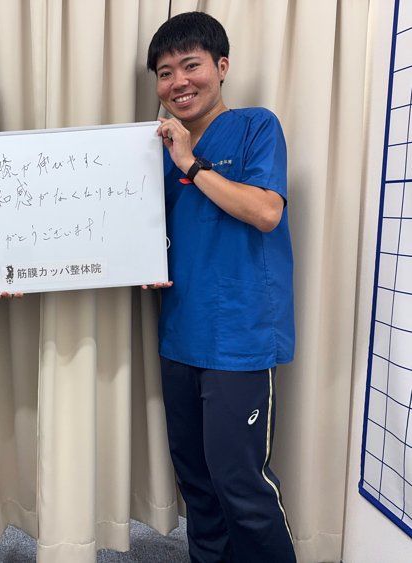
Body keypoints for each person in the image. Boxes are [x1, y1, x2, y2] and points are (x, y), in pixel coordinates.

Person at [144, 12, 297, 563]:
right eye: (165, 73)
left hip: (240, 336)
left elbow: (266, 212)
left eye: (191, 66)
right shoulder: (154, 150)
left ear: (222, 66)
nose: (179, 82)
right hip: (180, 335)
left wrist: (190, 162)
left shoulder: (257, 126)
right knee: (197, 483)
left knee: (241, 484)